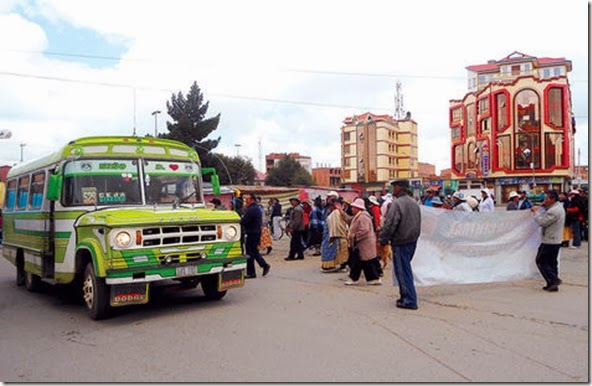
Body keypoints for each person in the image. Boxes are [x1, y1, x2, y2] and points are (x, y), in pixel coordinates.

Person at [379, 179, 421, 310]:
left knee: (402, 271)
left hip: (401, 242)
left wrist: (383, 239)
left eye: (394, 187)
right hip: (412, 241)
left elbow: (390, 224)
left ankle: (409, 300)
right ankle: (404, 296)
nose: (393, 190)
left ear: (400, 188)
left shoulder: (397, 204)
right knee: (405, 269)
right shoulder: (414, 203)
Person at [532, 190, 565, 292]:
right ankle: (552, 284)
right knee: (551, 263)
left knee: (541, 261)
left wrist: (536, 212)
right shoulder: (557, 207)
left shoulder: (554, 211)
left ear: (553, 199)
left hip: (550, 241)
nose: (545, 200)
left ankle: (554, 280)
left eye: (547, 198)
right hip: (555, 240)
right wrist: (543, 206)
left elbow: (542, 222)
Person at [343, 198, 381, 285]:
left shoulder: (363, 217)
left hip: (364, 244)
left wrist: (353, 236)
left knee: (360, 262)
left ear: (358, 208)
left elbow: (364, 230)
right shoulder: (359, 216)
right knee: (364, 262)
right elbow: (349, 219)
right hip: (363, 244)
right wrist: (342, 212)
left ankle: (355, 278)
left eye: (353, 207)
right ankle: (373, 278)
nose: (352, 209)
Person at [240, 193, 271, 279]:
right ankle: (264, 265)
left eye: (248, 200)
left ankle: (251, 272)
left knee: (250, 253)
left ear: (252, 200)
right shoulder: (255, 208)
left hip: (252, 233)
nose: (246, 201)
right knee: (254, 251)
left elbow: (244, 221)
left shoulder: (252, 209)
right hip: (256, 232)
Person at [320, 198, 349, 272]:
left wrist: (334, 235)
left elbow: (336, 225)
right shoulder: (335, 213)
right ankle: (335, 265)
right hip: (332, 234)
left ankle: (337, 265)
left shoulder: (335, 213)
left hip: (335, 235)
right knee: (335, 251)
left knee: (337, 251)